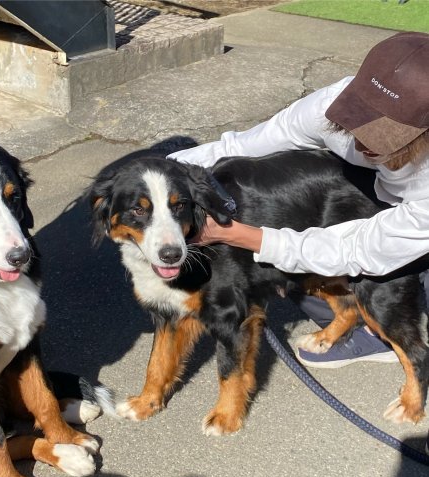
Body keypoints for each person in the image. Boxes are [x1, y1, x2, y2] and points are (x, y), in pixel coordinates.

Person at [168, 31, 429, 369]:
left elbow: (359, 249)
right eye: (358, 120)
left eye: (382, 136)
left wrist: (241, 235)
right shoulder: (329, 105)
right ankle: (362, 328)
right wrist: (159, 177)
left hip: (420, 208)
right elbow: (240, 147)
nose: (363, 140)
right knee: (290, 221)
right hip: (379, 187)